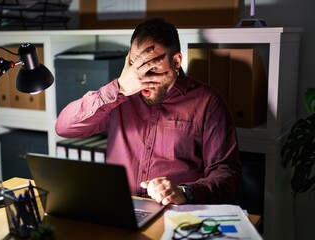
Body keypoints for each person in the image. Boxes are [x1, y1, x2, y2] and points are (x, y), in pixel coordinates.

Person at [56, 18, 242, 206]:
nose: (143, 79)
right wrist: (118, 88)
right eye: (137, 66)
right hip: (121, 208)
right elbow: (64, 127)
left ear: (176, 61)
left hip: (176, 213)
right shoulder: (118, 96)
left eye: (152, 68)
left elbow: (228, 175)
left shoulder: (208, 102)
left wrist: (186, 192)